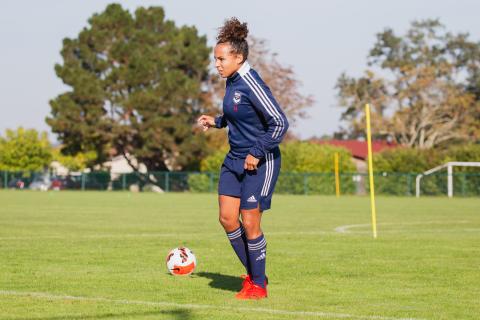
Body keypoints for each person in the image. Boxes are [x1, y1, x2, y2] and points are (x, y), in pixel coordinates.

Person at [197, 17, 289, 300]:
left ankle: (258, 285)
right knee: (227, 218)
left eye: (221, 59)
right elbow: (241, 114)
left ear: (238, 57)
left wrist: (256, 152)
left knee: (250, 223)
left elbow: (279, 123)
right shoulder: (232, 80)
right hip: (234, 159)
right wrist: (218, 121)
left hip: (260, 162)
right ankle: (254, 273)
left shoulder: (251, 81)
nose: (217, 64)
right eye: (215, 59)